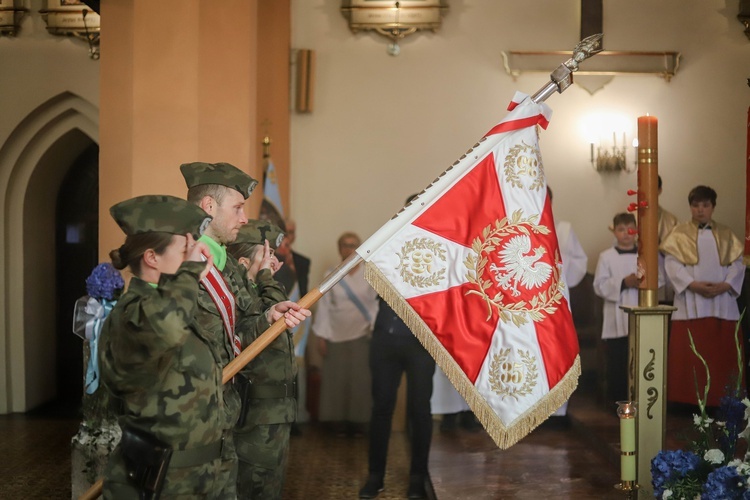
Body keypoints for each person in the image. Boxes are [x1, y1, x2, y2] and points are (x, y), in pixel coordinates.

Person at [180, 161, 310, 496]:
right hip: (194, 420)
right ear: (209, 207)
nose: (243, 218)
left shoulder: (222, 264)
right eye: (237, 208)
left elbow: (233, 332)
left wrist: (267, 317)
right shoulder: (186, 263)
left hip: (225, 413)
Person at [99, 194, 231, 498]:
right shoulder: (133, 313)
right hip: (161, 483)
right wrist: (188, 272)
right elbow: (169, 330)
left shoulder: (175, 306)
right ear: (152, 257)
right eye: (185, 248)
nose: (196, 253)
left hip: (202, 477)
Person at [359, 195, 437, 500]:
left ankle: (418, 477)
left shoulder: (437, 247)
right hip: (386, 338)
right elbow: (373, 279)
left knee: (420, 411)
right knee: (381, 409)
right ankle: (375, 475)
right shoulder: (387, 242)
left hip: (420, 342)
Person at [227, 220, 296, 499]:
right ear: (243, 262)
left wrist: (266, 279)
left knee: (269, 486)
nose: (273, 261)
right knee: (254, 487)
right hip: (256, 415)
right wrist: (268, 279)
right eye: (265, 257)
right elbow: (269, 322)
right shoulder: (239, 295)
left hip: (275, 411)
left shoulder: (256, 291)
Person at [660, 185, 745, 406]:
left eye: (705, 205)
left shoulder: (726, 234)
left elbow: (738, 263)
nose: (700, 210)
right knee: (690, 355)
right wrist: (692, 284)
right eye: (696, 205)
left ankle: (722, 399)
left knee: (720, 355)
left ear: (713, 207)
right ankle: (685, 399)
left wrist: (726, 285)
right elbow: (671, 264)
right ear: (690, 207)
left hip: (722, 303)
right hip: (690, 302)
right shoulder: (678, 234)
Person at [313, 231, 378, 436]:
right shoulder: (330, 273)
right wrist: (321, 336)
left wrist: (374, 329)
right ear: (339, 248)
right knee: (335, 379)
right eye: (345, 245)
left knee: (360, 379)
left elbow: (376, 304)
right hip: (335, 333)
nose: (349, 249)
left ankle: (358, 422)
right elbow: (323, 306)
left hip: (362, 335)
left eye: (353, 245)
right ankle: (335, 421)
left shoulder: (369, 273)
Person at [547, 186, 587, 417]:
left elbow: (579, 262)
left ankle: (556, 410)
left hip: (556, 300)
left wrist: (560, 271)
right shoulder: (518, 227)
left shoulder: (563, 229)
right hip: (526, 307)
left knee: (556, 351)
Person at [593, 213, 640, 403]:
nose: (626, 234)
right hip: (615, 316)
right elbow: (599, 285)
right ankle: (617, 403)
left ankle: (639, 400)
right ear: (614, 231)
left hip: (639, 312)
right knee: (618, 362)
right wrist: (623, 282)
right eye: (621, 229)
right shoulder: (606, 256)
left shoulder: (644, 255)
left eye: (630, 229)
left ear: (636, 231)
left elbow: (660, 280)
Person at [657, 175, 680, 305]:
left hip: (665, 272)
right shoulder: (630, 217)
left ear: (660, 190)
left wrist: (660, 247)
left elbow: (679, 251)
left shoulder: (671, 220)